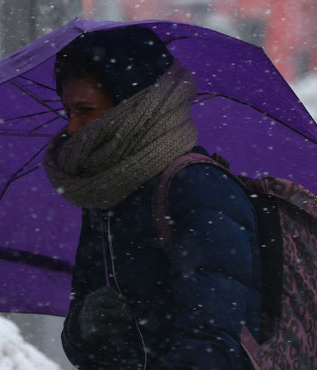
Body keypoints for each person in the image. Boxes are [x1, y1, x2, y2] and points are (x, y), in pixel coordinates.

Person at [43, 26, 262, 370]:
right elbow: (83, 348)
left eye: (84, 110)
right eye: (67, 112)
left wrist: (147, 323)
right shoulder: (105, 193)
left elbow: (213, 346)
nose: (71, 129)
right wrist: (84, 327)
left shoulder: (199, 189)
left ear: (133, 107)